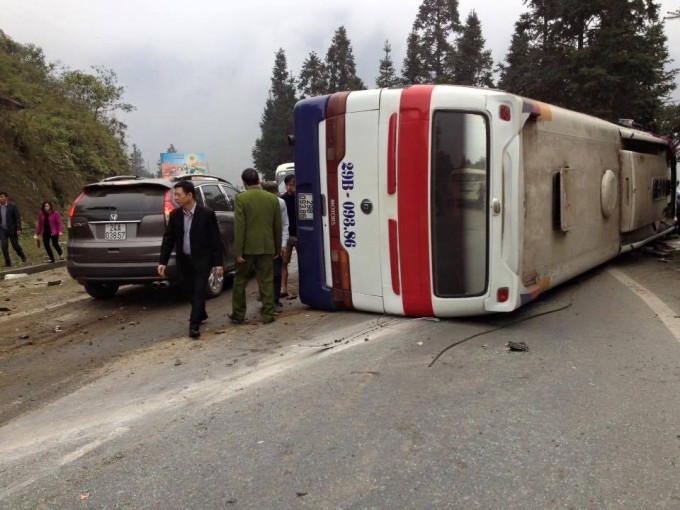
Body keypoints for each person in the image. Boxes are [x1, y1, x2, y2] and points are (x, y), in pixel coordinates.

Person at [158, 181, 223, 339]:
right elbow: (169, 239)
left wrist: (218, 263)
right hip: (184, 260)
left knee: (199, 291)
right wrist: (163, 261)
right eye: (175, 195)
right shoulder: (175, 215)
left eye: (179, 195)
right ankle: (201, 313)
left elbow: (215, 240)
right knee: (188, 290)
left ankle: (194, 327)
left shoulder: (207, 214)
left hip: (202, 260)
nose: (176, 198)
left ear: (190, 195)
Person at [230, 168, 282, 325]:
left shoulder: (240, 198)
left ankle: (238, 315)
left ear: (244, 182)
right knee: (266, 281)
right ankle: (268, 314)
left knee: (240, 281)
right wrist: (277, 248)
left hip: (247, 249)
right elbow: (277, 226)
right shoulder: (272, 199)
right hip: (267, 247)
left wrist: (238, 251)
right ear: (258, 180)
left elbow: (240, 226)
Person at [262, 181, 289, 313]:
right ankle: (266, 300)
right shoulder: (258, 204)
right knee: (264, 273)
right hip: (261, 244)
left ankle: (275, 300)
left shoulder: (280, 202)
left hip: (275, 243)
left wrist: (283, 244)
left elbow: (285, 224)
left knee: (276, 273)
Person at [280, 174, 297, 297]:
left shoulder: (301, 198)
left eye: (292, 185)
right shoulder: (282, 200)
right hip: (287, 235)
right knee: (284, 263)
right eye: (287, 185)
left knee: (305, 262)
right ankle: (283, 288)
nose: (289, 187)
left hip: (300, 235)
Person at [0, 191, 27, 267]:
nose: (0, 198)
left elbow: (17, 218)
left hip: (12, 228)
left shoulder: (13, 206)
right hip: (2, 229)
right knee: (4, 246)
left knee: (15, 246)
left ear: (6, 198)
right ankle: (8, 262)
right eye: (0, 197)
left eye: (2, 197)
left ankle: (22, 256)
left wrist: (18, 228)